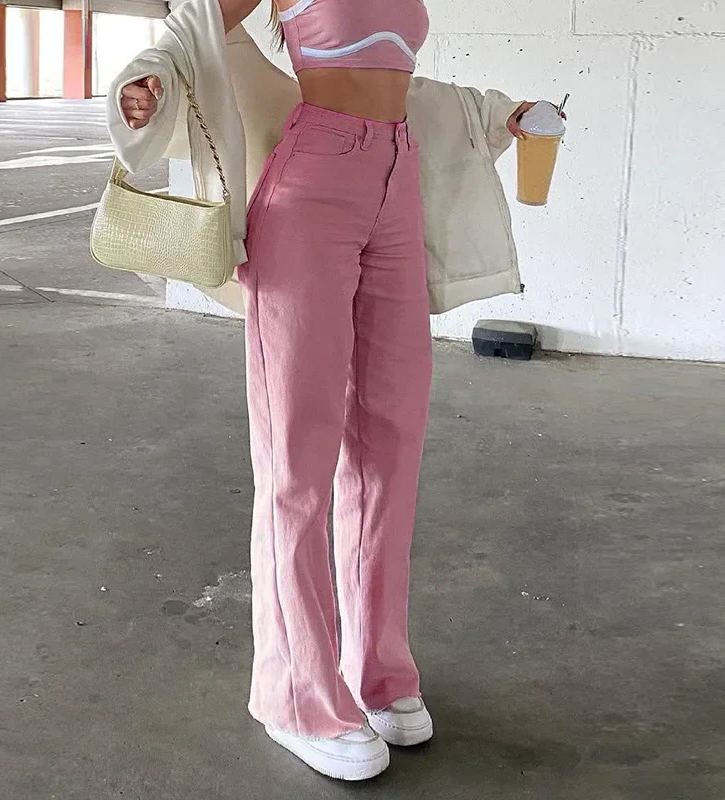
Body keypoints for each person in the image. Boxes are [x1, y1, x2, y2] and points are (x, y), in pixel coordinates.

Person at [116, 0, 540, 781]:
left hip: (396, 176)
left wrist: (494, 113)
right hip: (311, 182)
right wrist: (150, 79)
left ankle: (378, 671)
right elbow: (199, 22)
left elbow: (397, 80)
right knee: (297, 452)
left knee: (392, 438)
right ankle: (296, 696)